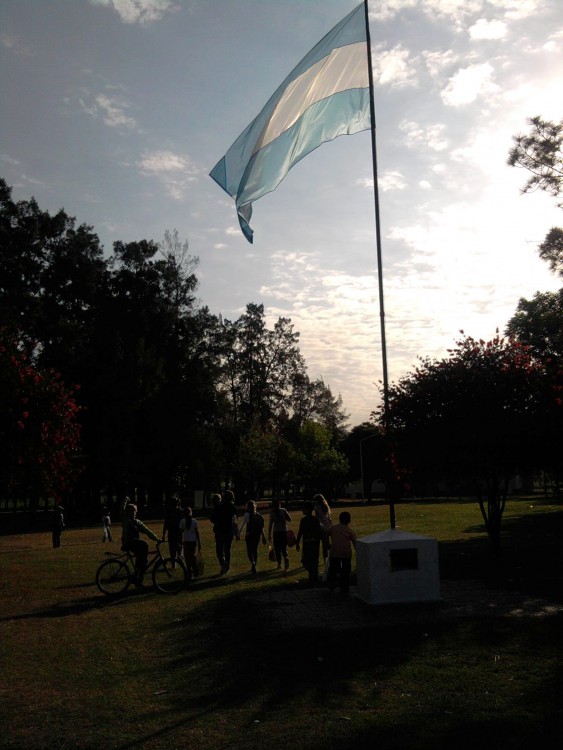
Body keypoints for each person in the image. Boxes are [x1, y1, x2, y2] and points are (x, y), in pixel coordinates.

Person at [120, 497, 160, 587]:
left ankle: (138, 579)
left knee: (142, 561)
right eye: (133, 511)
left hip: (135, 544)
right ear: (129, 512)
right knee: (144, 545)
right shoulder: (126, 520)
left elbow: (147, 531)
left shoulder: (137, 522)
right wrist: (126, 499)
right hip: (128, 543)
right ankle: (138, 574)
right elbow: (122, 508)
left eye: (135, 511)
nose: (135, 513)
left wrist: (157, 539)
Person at [326, 511, 357, 594]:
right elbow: (355, 543)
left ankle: (332, 585)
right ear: (349, 520)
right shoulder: (350, 531)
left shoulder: (333, 528)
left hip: (335, 552)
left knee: (333, 569)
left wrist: (328, 544)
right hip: (346, 553)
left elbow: (326, 533)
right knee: (346, 571)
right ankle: (344, 586)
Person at [295, 501, 323, 584]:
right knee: (308, 561)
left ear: (308, 509)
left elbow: (318, 533)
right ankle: (313, 577)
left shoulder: (314, 520)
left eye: (303, 508)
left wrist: (316, 542)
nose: (302, 510)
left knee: (312, 561)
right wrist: (297, 542)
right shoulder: (304, 520)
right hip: (308, 544)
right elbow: (300, 532)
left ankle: (313, 578)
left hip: (312, 544)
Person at [238, 500, 267, 574]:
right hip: (257, 535)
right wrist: (264, 537)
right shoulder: (259, 515)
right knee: (255, 550)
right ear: (255, 506)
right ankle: (254, 565)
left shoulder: (246, 514)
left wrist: (238, 535)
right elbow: (261, 528)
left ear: (248, 507)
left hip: (249, 535)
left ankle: (253, 562)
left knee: (249, 551)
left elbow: (242, 526)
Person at [212, 490, 237, 574]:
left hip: (219, 531)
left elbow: (212, 518)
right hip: (229, 531)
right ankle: (227, 567)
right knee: (227, 550)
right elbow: (234, 521)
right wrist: (236, 532)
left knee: (219, 551)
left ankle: (223, 565)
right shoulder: (233, 507)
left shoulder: (218, 506)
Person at [268, 498, 292, 571]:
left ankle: (279, 565)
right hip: (284, 531)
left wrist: (269, 534)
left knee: (277, 549)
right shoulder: (283, 510)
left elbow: (270, 524)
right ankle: (286, 559)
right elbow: (290, 519)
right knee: (284, 548)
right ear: (279, 504)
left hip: (276, 532)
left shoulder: (272, 512)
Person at [179, 506, 201, 580]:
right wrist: (199, 542)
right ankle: (195, 569)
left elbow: (180, 533)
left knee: (187, 557)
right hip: (193, 541)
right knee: (192, 556)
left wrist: (180, 541)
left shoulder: (182, 521)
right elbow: (197, 533)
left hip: (186, 541)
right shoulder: (194, 521)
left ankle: (189, 572)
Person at [162, 496, 183, 562]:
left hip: (176, 532)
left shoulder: (179, 511)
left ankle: (176, 561)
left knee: (175, 548)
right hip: (174, 532)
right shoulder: (171, 512)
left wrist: (163, 534)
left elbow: (165, 524)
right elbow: (166, 524)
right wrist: (163, 534)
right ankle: (175, 562)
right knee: (175, 548)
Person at [313, 493, 332, 560]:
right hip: (327, 525)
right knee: (326, 542)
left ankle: (326, 557)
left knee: (323, 543)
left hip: (321, 525)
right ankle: (327, 556)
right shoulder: (325, 505)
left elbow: (316, 517)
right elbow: (328, 516)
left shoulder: (317, 507)